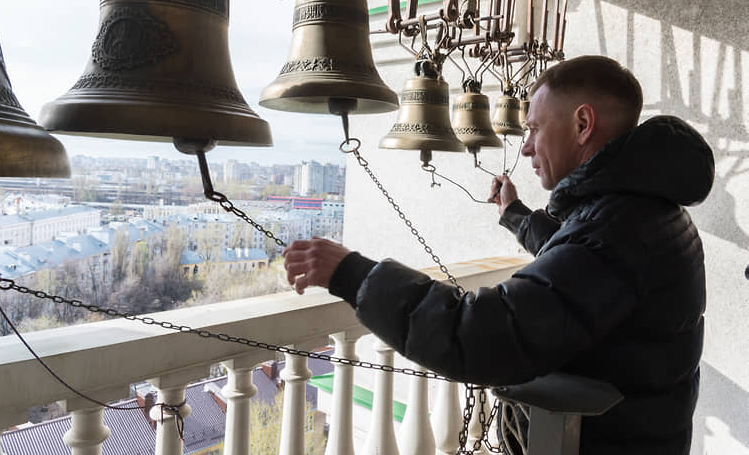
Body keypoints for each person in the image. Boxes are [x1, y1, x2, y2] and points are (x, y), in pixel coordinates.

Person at [283, 55, 714, 454]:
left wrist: (353, 274)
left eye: (534, 128)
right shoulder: (645, 211)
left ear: (583, 124)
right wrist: (513, 214)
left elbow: (480, 336)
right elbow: (576, 260)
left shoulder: (616, 230)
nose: (525, 146)